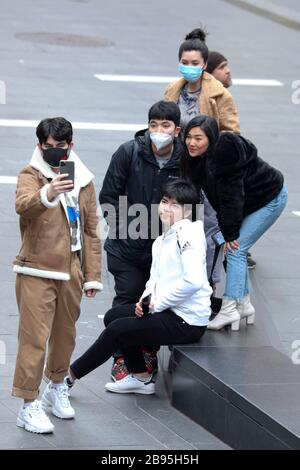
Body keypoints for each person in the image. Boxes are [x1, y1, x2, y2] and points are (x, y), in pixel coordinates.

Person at [69, 179, 212, 394]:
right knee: (113, 316)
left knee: (118, 330)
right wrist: (143, 301)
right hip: (169, 310)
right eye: (165, 201)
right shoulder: (163, 239)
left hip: (187, 321)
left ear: (189, 211)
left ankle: (68, 377)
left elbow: (193, 281)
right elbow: (155, 279)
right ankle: (141, 377)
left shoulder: (188, 233)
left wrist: (156, 305)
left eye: (176, 205)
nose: (167, 208)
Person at [12, 117, 102, 434]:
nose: (53, 152)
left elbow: (91, 230)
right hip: (36, 268)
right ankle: (28, 404)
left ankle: (56, 385)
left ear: (70, 146)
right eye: (47, 147)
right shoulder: (31, 175)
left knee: (66, 335)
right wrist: (48, 192)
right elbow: (23, 206)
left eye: (59, 146)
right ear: (40, 146)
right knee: (33, 339)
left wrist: (92, 274)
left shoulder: (85, 180)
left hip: (72, 269)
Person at [99, 100, 182, 381]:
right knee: (128, 298)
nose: (159, 130)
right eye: (154, 124)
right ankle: (121, 357)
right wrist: (126, 231)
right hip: (127, 249)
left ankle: (147, 352)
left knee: (156, 302)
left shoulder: (185, 160)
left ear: (177, 130)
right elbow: (108, 197)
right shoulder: (128, 152)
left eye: (165, 125)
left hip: (165, 250)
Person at [182, 115, 288, 331]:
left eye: (198, 138)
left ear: (211, 138)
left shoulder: (225, 155)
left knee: (236, 250)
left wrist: (230, 233)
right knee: (234, 248)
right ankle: (245, 304)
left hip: (270, 198)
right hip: (250, 202)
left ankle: (230, 309)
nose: (192, 143)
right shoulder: (198, 158)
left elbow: (231, 198)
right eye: (189, 138)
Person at [164, 27, 240, 292]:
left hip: (208, 170)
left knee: (207, 228)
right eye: (184, 63)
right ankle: (181, 278)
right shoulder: (173, 91)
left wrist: (212, 153)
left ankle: (208, 284)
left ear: (205, 64)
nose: (189, 67)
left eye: (195, 63)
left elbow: (232, 133)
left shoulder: (219, 94)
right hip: (182, 165)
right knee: (181, 224)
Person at [206, 49, 257, 270]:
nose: (228, 71)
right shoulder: (210, 97)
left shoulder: (223, 97)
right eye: (222, 67)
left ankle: (234, 244)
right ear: (209, 73)